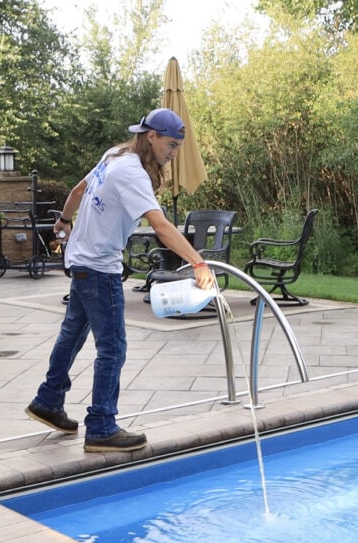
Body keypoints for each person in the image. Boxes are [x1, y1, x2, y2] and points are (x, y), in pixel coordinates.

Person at [25, 108, 215, 452]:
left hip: (82, 262)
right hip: (98, 268)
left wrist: (65, 220)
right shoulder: (133, 174)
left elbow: (80, 189)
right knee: (113, 348)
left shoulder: (115, 155)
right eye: (170, 145)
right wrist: (198, 262)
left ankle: (48, 401)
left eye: (177, 147)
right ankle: (101, 426)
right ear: (151, 136)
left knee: (71, 336)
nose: (172, 153)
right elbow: (160, 226)